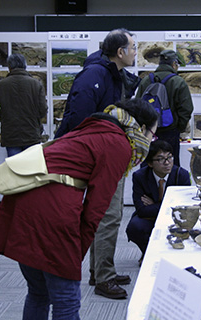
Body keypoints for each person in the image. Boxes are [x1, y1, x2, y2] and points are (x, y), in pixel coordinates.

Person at [0, 99, 158, 320]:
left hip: (23, 202)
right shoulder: (119, 144)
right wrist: (75, 253)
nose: (151, 141)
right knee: (66, 300)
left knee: (39, 292)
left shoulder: (94, 126)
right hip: (52, 211)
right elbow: (97, 208)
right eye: (152, 135)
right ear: (142, 128)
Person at [54, 28, 140, 300]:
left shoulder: (110, 75)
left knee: (106, 215)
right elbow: (80, 119)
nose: (136, 52)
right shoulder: (96, 75)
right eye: (133, 48)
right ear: (120, 52)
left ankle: (101, 271)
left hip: (107, 153)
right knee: (108, 215)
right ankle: (103, 277)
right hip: (100, 156)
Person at [126, 140, 191, 264]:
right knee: (135, 227)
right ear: (150, 163)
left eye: (170, 157)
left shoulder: (181, 175)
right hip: (149, 218)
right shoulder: (140, 176)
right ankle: (148, 254)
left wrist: (155, 205)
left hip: (174, 219)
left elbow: (183, 208)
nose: (167, 163)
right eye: (161, 159)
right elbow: (141, 210)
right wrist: (168, 205)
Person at [136, 50, 194, 167]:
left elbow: (137, 106)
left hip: (149, 133)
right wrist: (178, 128)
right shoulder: (178, 82)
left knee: (148, 167)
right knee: (170, 167)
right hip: (170, 133)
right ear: (174, 64)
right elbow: (186, 109)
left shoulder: (146, 80)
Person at [0, 53, 48, 157]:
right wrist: (34, 119)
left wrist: (6, 117)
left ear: (9, 67)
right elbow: (43, 109)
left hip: (10, 134)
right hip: (31, 133)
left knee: (14, 169)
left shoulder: (0, 85)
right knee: (31, 169)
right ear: (25, 66)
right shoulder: (36, 84)